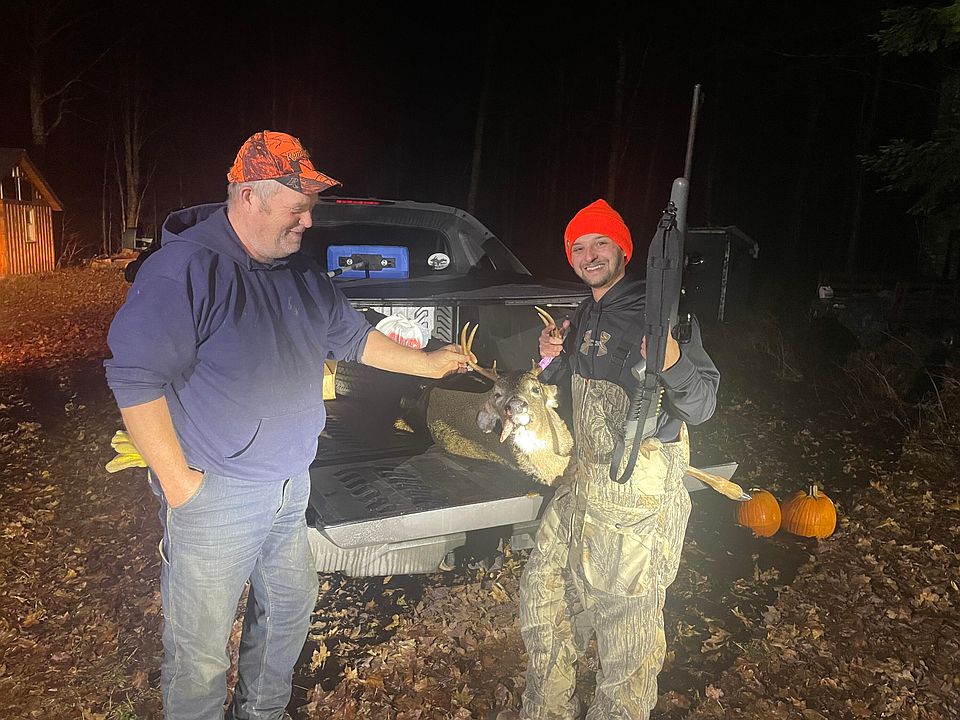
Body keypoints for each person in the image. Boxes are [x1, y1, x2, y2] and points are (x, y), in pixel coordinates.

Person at [104, 130, 470, 720]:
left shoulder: (300, 273)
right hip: (216, 493)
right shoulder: (185, 271)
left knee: (287, 613)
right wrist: (180, 485)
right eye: (298, 207)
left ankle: (261, 713)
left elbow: (355, 339)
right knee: (200, 656)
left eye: (310, 208)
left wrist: (427, 363)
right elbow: (135, 380)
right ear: (250, 196)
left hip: (290, 488)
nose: (309, 221)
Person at [490, 199, 720, 720]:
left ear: (623, 250)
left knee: (626, 641)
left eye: (600, 243)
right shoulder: (583, 313)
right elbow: (562, 388)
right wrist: (550, 357)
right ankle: (547, 711)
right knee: (544, 598)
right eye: (578, 246)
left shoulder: (663, 314)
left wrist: (673, 363)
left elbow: (703, 404)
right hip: (582, 483)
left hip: (635, 500)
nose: (589, 255)